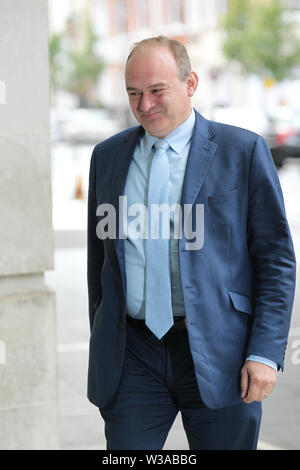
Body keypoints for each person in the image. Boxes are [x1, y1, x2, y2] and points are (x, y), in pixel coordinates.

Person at [87, 36, 296, 450]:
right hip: (134, 354)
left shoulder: (243, 150)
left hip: (222, 352)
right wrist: (104, 336)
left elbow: (275, 260)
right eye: (133, 93)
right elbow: (101, 262)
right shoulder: (107, 156)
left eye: (156, 90)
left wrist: (265, 352)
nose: (144, 104)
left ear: (190, 83)